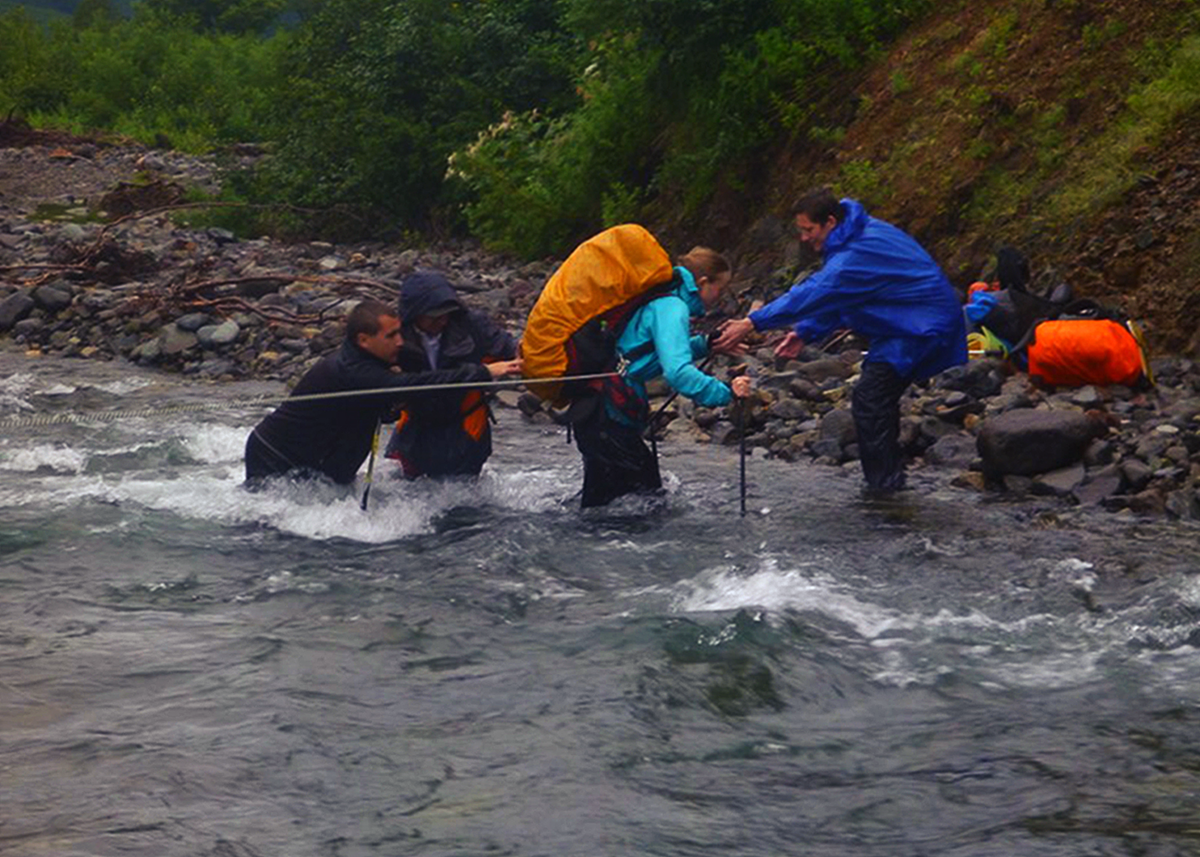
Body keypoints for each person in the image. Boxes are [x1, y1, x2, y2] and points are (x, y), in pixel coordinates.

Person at [715, 188, 967, 494]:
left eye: (808, 230)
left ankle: (885, 489)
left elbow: (816, 291)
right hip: (905, 322)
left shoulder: (856, 252)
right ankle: (888, 479)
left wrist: (751, 322)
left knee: (870, 397)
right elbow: (846, 296)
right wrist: (805, 331)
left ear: (830, 222)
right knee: (874, 397)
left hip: (921, 326)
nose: (804, 238)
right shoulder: (855, 235)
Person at [244, 299, 522, 487]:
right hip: (275, 456)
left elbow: (419, 379)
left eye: (400, 332)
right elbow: (419, 385)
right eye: (391, 336)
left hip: (322, 457)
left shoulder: (383, 358)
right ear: (364, 340)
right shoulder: (353, 371)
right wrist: (484, 373)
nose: (400, 341)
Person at [572, 247, 752, 508]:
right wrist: (727, 392)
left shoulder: (661, 300)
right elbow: (678, 372)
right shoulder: (672, 307)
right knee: (643, 506)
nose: (720, 298)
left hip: (596, 412)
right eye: (720, 289)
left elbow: (646, 352)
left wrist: (706, 344)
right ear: (702, 283)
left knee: (605, 508)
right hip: (609, 417)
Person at [383, 270, 519, 478]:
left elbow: (511, 349)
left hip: (466, 428)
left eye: (447, 313)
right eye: (435, 316)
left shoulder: (473, 325)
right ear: (414, 314)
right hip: (415, 429)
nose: (443, 320)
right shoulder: (396, 335)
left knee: (465, 495)